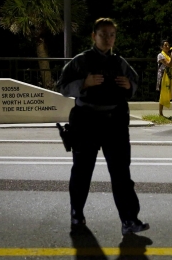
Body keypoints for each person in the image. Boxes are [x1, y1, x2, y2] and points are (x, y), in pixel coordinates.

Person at [56, 17, 150, 235]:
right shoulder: (81, 61)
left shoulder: (120, 62)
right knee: (82, 172)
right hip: (86, 122)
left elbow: (135, 83)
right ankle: (76, 213)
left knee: (121, 174)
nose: (108, 38)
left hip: (114, 123)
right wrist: (84, 84)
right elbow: (62, 86)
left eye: (112, 35)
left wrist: (129, 86)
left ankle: (129, 220)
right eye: (103, 34)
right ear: (93, 36)